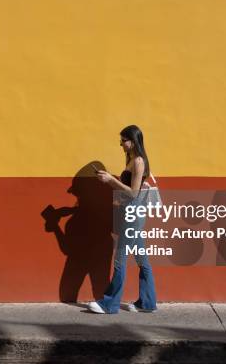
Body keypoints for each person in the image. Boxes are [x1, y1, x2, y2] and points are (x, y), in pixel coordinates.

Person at [87, 125, 158, 314]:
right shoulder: (132, 160)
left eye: (123, 140)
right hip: (130, 212)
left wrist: (111, 179)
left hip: (133, 213)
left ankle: (109, 304)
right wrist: (110, 180)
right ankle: (147, 302)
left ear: (133, 142)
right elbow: (125, 191)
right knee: (142, 259)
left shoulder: (138, 162)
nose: (121, 144)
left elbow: (133, 193)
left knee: (120, 259)